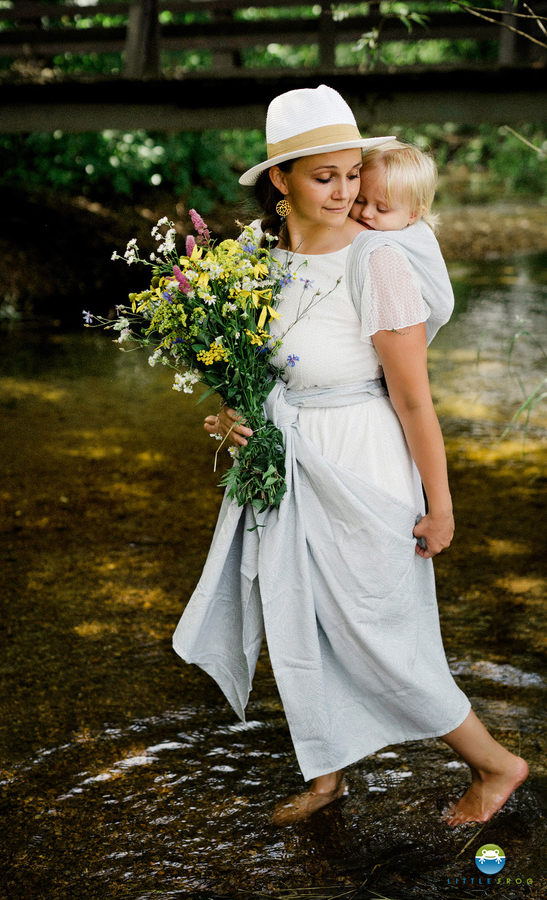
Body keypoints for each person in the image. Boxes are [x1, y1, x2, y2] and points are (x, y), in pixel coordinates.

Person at [173, 85, 528, 827]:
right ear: (281, 179)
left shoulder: (378, 262)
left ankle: (496, 765)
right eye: (323, 176)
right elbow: (254, 370)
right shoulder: (255, 262)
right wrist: (233, 415)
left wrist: (441, 504)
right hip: (289, 461)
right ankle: (328, 775)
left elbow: (414, 401)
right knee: (299, 616)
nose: (344, 192)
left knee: (379, 630)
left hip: (363, 460)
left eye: (352, 173)